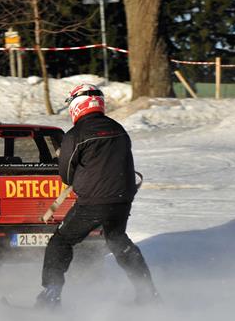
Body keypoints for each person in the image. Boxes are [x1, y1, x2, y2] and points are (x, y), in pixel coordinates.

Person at [35, 83, 160, 308]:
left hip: (92, 202)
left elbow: (66, 175)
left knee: (61, 241)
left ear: (76, 105)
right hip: (122, 200)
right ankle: (147, 293)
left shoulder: (76, 134)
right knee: (118, 240)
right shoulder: (118, 129)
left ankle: (51, 295)